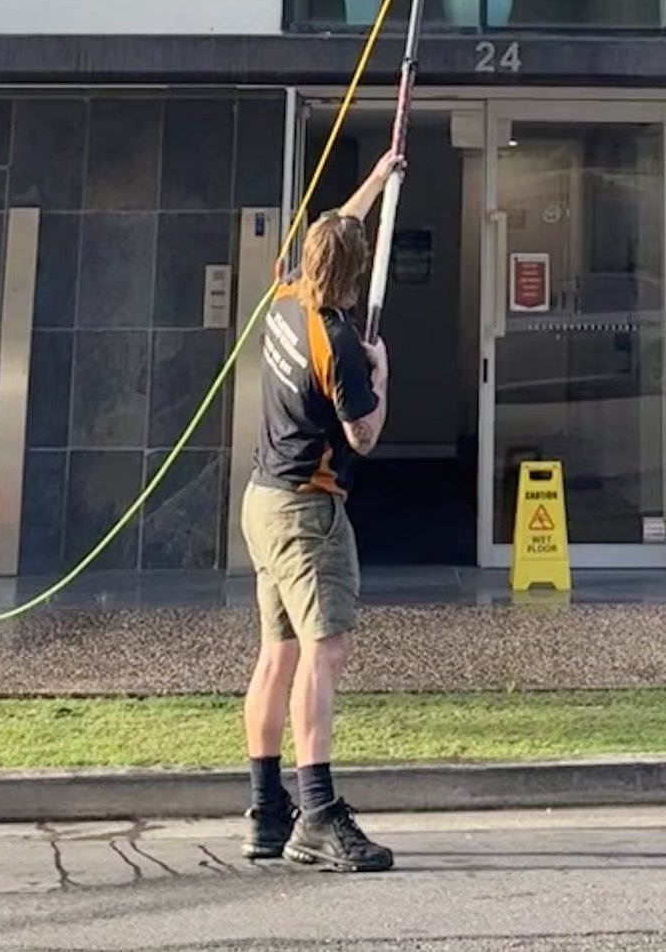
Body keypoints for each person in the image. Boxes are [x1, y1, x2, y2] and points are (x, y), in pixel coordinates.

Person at [239, 147, 404, 873]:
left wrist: (377, 179)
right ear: (357, 275)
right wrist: (382, 376)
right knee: (322, 653)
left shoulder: (283, 296)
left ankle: (265, 810)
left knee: (276, 654)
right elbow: (363, 436)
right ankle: (317, 814)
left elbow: (337, 228)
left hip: (262, 502)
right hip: (308, 515)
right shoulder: (337, 342)